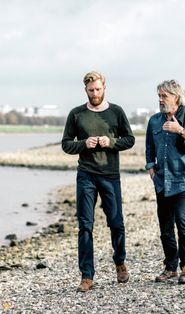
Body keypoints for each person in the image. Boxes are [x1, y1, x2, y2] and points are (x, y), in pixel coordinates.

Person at [62, 71, 135, 292]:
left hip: (110, 175)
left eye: (98, 89)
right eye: (91, 90)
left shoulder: (116, 112)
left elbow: (130, 139)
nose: (95, 93)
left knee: (116, 223)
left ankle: (120, 262)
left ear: (104, 88)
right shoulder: (76, 114)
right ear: (86, 90)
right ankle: (87, 276)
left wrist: (110, 141)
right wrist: (84, 144)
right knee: (85, 225)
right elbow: (66, 144)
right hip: (86, 176)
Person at [145, 79, 185, 284]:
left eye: (164, 96)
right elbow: (149, 148)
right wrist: (151, 168)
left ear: (176, 98)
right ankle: (170, 267)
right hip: (162, 181)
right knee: (165, 227)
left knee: (182, 221)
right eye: (159, 96)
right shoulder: (154, 121)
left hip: (184, 180)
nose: (160, 100)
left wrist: (181, 130)